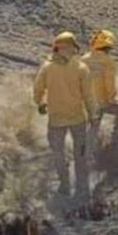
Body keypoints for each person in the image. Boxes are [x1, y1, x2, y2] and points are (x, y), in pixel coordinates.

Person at [34, 32, 97, 202]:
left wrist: (40, 103)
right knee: (81, 154)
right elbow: (88, 96)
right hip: (78, 119)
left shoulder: (47, 68)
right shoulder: (81, 68)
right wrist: (93, 114)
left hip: (55, 121)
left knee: (58, 154)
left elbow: (38, 90)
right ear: (73, 47)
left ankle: (64, 184)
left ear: (56, 47)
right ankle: (82, 188)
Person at [82, 29, 118, 153]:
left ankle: (86, 154)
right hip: (101, 101)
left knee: (92, 125)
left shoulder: (83, 59)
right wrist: (113, 99)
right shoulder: (108, 62)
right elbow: (109, 83)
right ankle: (115, 140)